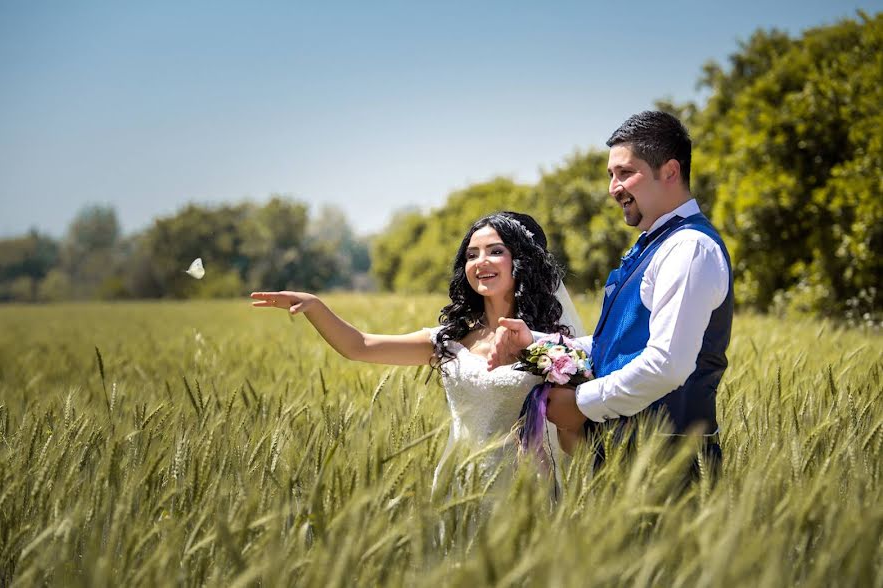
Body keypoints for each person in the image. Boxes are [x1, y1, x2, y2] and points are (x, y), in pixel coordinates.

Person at [251, 212, 584, 495]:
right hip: (459, 486)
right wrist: (315, 306)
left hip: (525, 491)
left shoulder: (551, 347)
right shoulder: (449, 340)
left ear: (522, 262)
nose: (480, 262)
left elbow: (574, 440)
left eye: (495, 251)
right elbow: (359, 346)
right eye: (471, 254)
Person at [488, 111, 732, 469]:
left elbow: (667, 366)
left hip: (668, 460)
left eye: (625, 173)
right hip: (626, 454)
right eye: (611, 175)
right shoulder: (658, 244)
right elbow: (618, 346)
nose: (613, 188)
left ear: (670, 172)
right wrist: (536, 343)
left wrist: (581, 404)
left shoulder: (689, 248)